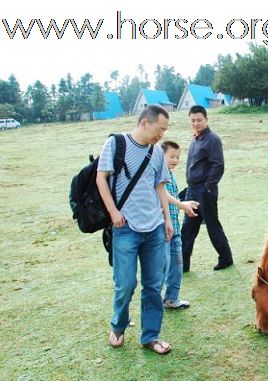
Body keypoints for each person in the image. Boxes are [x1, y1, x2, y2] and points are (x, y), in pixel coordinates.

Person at [96, 105, 173, 355]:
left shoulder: (157, 153)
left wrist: (168, 220)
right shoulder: (116, 144)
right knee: (125, 284)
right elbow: (101, 178)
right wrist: (113, 213)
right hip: (125, 227)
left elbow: (160, 187)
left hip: (154, 228)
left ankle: (150, 335)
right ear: (144, 123)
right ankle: (118, 326)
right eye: (159, 129)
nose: (161, 134)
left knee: (154, 285)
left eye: (164, 130)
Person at [181, 105, 234, 272]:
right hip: (192, 191)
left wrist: (208, 187)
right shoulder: (195, 139)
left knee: (212, 225)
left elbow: (218, 165)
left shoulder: (212, 139)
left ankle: (226, 258)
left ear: (206, 119)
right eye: (193, 120)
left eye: (199, 120)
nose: (196, 123)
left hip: (205, 191)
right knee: (188, 228)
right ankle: (182, 264)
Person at [161, 140, 199, 309]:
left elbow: (171, 199)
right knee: (163, 267)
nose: (175, 160)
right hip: (163, 228)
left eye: (177, 157)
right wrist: (182, 205)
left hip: (174, 228)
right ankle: (156, 300)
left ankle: (171, 298)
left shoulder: (170, 175)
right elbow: (164, 196)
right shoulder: (159, 175)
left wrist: (185, 204)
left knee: (177, 265)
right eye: (171, 156)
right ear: (161, 156)